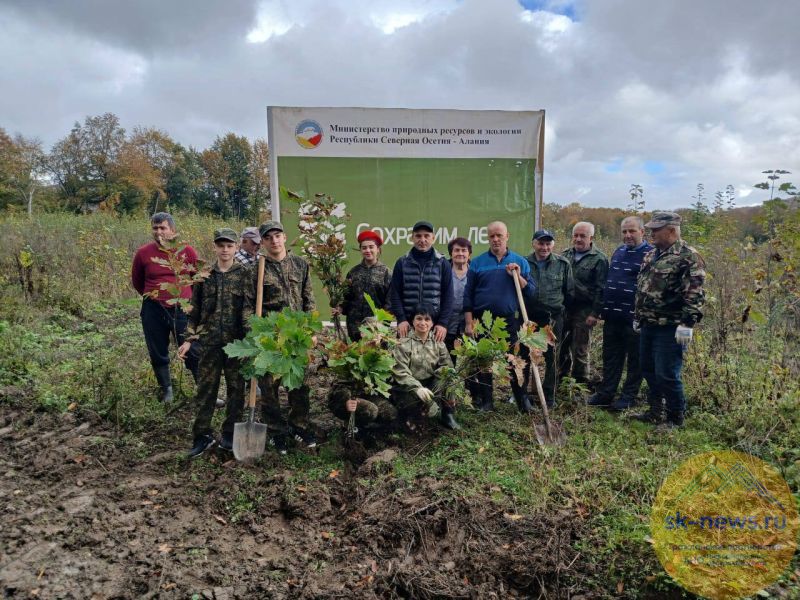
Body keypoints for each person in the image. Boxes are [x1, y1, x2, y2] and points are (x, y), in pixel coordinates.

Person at [180, 228, 255, 458]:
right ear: (215, 247)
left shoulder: (245, 274)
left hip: (235, 344)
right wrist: (189, 339)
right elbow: (195, 311)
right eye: (221, 245)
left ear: (235, 248)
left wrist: (249, 343)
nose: (225, 249)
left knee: (236, 391)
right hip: (210, 343)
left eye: (229, 245)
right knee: (206, 390)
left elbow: (248, 310)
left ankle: (230, 433)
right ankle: (202, 435)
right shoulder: (205, 275)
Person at [633, 212, 705, 428]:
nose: (652, 233)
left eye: (656, 230)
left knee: (667, 373)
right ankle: (655, 410)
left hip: (671, 327)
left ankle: (675, 417)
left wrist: (687, 325)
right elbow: (643, 287)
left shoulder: (688, 256)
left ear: (672, 230)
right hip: (648, 323)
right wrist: (638, 316)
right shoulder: (651, 254)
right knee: (647, 368)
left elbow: (695, 293)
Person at [256, 220, 318, 452]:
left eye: (277, 235)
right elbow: (250, 306)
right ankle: (276, 431)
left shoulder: (300, 265)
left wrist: (310, 331)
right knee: (269, 387)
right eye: (268, 237)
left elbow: (309, 299)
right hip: (271, 338)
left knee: (299, 384)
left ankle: (299, 426)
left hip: (297, 337)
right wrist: (256, 334)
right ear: (262, 242)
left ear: (284, 237)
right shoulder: (258, 269)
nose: (274, 240)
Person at [463, 221, 535, 413]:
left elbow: (531, 293)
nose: (495, 239)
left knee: (514, 361)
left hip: (510, 321)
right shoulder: (477, 263)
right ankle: (487, 403)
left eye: (499, 236)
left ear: (507, 236)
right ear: (488, 238)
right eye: (492, 236)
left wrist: (517, 276)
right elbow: (468, 294)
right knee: (485, 361)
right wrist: (469, 322)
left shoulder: (520, 262)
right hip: (482, 322)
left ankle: (522, 401)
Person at [131, 212, 200, 403]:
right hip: (154, 309)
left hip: (182, 309)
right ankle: (167, 390)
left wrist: (188, 302)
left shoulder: (187, 251)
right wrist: (155, 297)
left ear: (172, 230)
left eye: (163, 227)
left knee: (192, 348)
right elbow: (138, 281)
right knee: (157, 349)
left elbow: (197, 279)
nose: (159, 232)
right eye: (155, 228)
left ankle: (202, 389)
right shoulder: (143, 253)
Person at [588, 216, 653, 410]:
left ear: (642, 232)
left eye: (632, 231)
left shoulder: (650, 254)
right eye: (624, 231)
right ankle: (606, 393)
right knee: (611, 358)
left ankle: (628, 397)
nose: (628, 235)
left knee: (635, 360)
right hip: (612, 318)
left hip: (634, 319)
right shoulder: (618, 252)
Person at [525, 229, 574, 409]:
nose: (544, 247)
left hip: (553, 319)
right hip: (529, 318)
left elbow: (569, 292)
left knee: (552, 357)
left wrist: (563, 315)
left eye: (548, 244)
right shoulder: (524, 262)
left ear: (552, 245)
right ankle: (524, 393)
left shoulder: (562, 264)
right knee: (526, 355)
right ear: (534, 243)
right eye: (541, 243)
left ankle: (548, 394)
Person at [391, 304, 459, 430]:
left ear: (433, 323)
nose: (423, 323)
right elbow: (400, 372)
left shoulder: (438, 343)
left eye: (427, 319)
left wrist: (440, 375)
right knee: (412, 413)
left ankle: (448, 415)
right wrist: (417, 389)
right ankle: (413, 415)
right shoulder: (402, 343)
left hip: (430, 385)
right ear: (413, 321)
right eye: (419, 318)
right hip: (409, 389)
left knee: (449, 376)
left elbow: (447, 366)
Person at [388, 221, 453, 343]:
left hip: (433, 327)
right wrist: (401, 319)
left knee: (433, 362)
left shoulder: (443, 264)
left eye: (426, 236)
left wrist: (443, 323)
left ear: (433, 238)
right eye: (418, 236)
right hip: (407, 327)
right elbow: (395, 294)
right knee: (405, 361)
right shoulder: (401, 263)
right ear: (412, 238)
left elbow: (448, 296)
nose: (422, 240)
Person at [560, 222, 608, 384]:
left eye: (583, 236)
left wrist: (595, 313)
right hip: (565, 308)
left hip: (584, 310)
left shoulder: (599, 259)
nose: (578, 239)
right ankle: (562, 380)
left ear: (591, 238)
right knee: (560, 346)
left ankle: (580, 384)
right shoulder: (565, 255)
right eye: (576, 235)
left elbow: (601, 289)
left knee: (580, 349)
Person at [336, 229, 392, 341]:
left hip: (376, 327)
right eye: (364, 247)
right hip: (354, 326)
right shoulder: (353, 272)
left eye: (371, 247)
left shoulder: (386, 273)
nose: (368, 250)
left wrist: (381, 324)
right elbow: (347, 297)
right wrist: (340, 307)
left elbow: (390, 302)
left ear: (378, 249)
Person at [444, 237, 472, 353]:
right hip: (446, 326)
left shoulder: (475, 272)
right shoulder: (443, 272)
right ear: (451, 254)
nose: (460, 253)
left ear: (469, 254)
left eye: (464, 250)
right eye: (457, 250)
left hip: (469, 327)